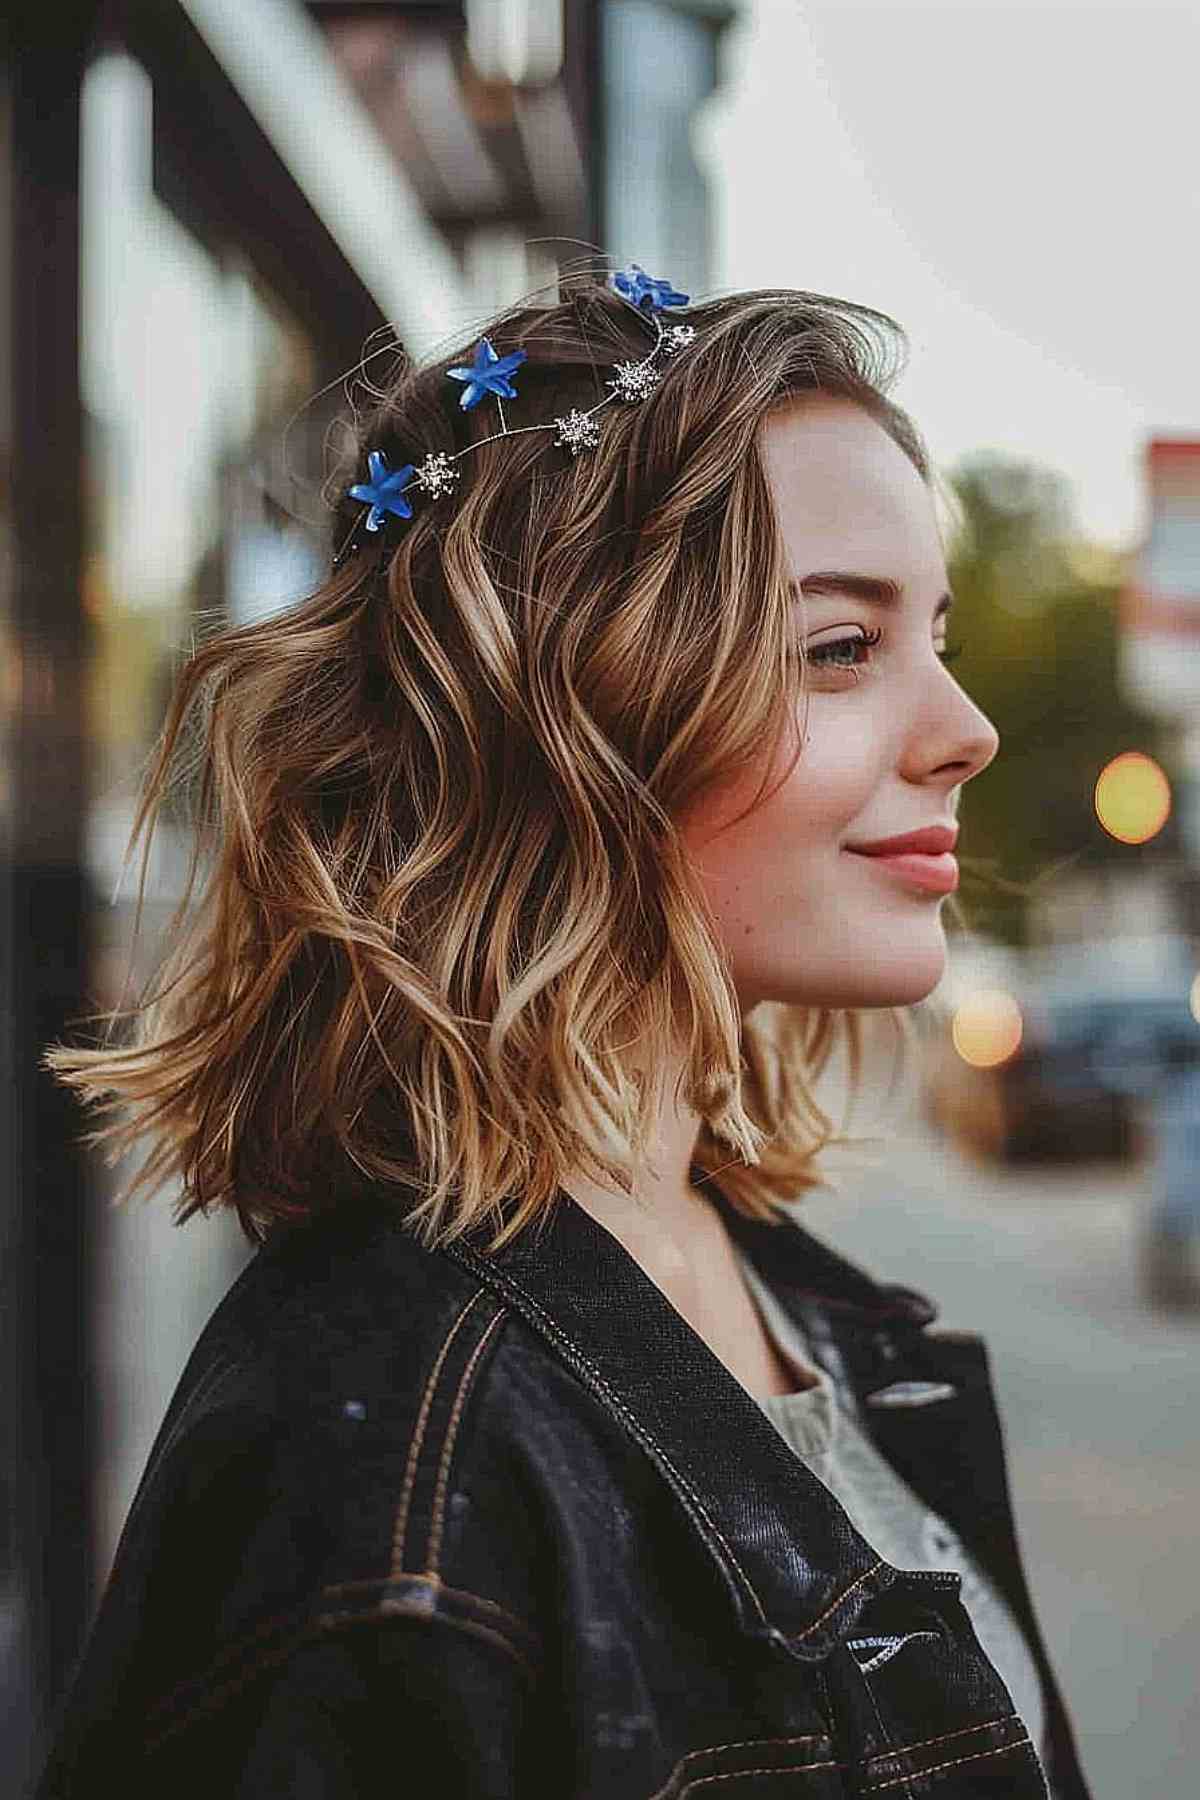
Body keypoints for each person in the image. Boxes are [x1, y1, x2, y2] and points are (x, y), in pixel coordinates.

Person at [38, 264, 1093, 1797]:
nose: (967, 727)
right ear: (565, 718)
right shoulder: (385, 1476)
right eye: (842, 649)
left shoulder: (784, 1291)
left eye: (931, 632)